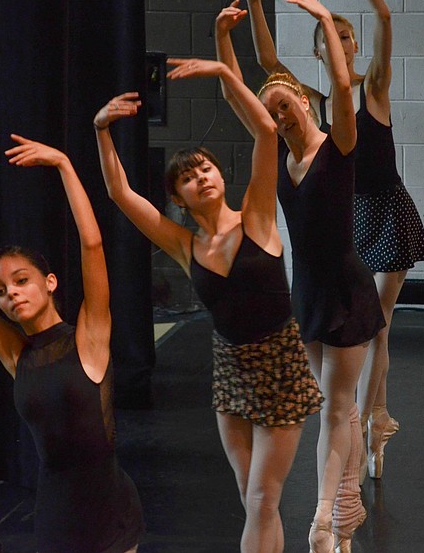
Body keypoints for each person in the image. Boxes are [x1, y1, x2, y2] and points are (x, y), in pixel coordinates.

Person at [93, 52, 322, 552]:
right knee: (252, 496)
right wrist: (102, 130)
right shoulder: (184, 244)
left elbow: (265, 132)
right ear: (180, 198)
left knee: (262, 498)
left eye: (207, 168)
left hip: (280, 363)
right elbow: (118, 192)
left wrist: (224, 72)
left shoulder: (256, 216)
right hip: (231, 368)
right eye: (189, 177)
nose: (203, 177)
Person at [0, 135, 144, 553]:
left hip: (110, 511)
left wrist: (64, 163)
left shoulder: (88, 336)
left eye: (21, 281)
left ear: (49, 283)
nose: (11, 294)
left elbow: (93, 244)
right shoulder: (17, 355)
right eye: (2, 290)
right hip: (56, 513)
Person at [247, 0, 424, 483]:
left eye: (349, 37)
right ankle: (371, 416)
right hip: (348, 219)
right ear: (320, 51)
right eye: (335, 37)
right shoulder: (317, 102)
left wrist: (360, 3)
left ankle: (372, 416)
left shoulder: (372, 88)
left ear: (353, 45)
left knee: (380, 325)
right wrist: (254, 0)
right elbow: (268, 63)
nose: (344, 43)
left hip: (386, 209)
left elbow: (385, 19)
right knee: (367, 333)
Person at [228, 0, 387, 551]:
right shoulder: (277, 157)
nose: (277, 114)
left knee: (338, 409)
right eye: (269, 111)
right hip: (309, 294)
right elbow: (238, 93)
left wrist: (323, 17)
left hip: (347, 288)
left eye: (284, 104)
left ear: (301, 100)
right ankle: (340, 506)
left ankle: (324, 520)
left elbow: (345, 90)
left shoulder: (338, 144)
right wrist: (226, 37)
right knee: (330, 411)